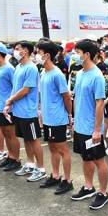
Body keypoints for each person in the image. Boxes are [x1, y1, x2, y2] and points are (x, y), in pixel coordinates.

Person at [69, 40, 108, 210]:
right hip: (80, 126)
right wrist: (74, 120)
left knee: (98, 160)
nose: (74, 55)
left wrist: (97, 129)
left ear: (86, 54)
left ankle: (103, 193)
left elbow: (100, 104)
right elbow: (77, 98)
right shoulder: (80, 73)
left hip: (91, 128)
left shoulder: (97, 76)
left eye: (77, 52)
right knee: (85, 157)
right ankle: (88, 187)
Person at [4, 41, 45, 181]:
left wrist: (10, 100)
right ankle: (30, 164)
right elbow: (15, 88)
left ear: (25, 51)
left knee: (33, 140)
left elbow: (26, 90)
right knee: (26, 139)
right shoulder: (18, 67)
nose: (14, 51)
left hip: (28, 112)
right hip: (18, 111)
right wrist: (10, 103)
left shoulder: (31, 68)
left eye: (17, 49)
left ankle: (41, 169)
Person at [36, 41, 73, 192]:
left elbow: (66, 96)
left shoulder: (57, 74)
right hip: (47, 118)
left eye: (38, 52)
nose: (36, 55)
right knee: (52, 148)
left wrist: (69, 114)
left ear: (47, 55)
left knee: (62, 149)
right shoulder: (43, 72)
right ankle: (56, 175)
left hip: (57, 118)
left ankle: (67, 180)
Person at [0, 43, 22, 173]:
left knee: (11, 134)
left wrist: (10, 103)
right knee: (5, 133)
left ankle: (16, 159)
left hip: (7, 108)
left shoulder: (9, 69)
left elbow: (16, 87)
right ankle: (10, 156)